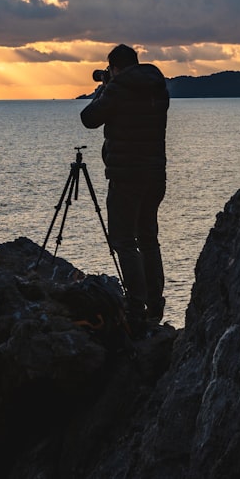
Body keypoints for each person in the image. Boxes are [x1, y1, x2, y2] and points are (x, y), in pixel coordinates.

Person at [80, 44, 169, 323]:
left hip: (126, 176)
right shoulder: (158, 88)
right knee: (148, 239)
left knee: (124, 241)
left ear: (115, 68)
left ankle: (135, 308)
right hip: (155, 175)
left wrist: (104, 89)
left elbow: (89, 118)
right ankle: (155, 305)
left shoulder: (117, 90)